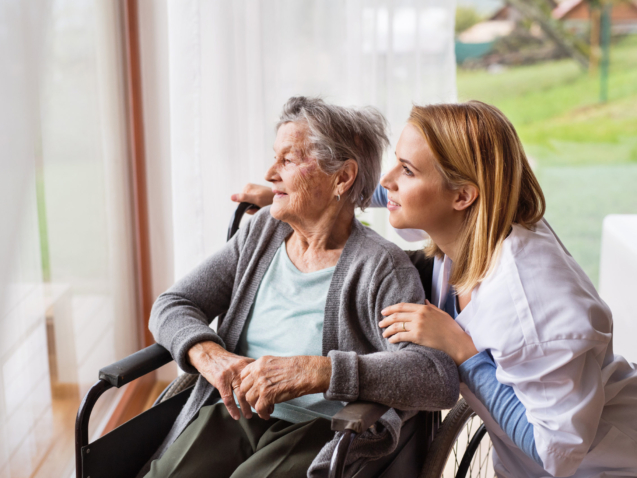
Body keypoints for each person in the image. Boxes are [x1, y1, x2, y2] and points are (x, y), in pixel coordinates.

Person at [233, 101, 637, 478]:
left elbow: (558, 453)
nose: (388, 180)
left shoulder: (533, 299)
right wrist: (306, 193)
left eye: (407, 170)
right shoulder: (473, 227)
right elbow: (388, 190)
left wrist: (460, 350)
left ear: (462, 195)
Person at [141, 97, 459, 478]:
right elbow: (173, 303)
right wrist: (211, 356)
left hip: (321, 428)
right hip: (233, 414)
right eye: (275, 157)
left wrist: (319, 371)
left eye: (288, 160)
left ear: (341, 178)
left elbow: (434, 376)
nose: (270, 173)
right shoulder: (262, 234)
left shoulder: (379, 266)